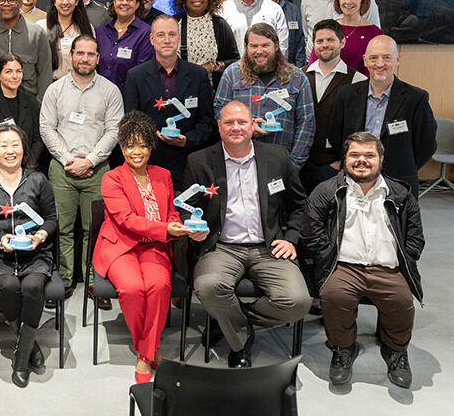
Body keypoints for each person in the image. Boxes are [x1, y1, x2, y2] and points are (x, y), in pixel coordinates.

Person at [185, 101, 311, 368]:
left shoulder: (278, 157)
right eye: (229, 122)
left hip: (269, 246)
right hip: (222, 246)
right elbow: (186, 205)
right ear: (219, 127)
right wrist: (191, 228)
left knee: (298, 302)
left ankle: (228, 320)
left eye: (242, 122)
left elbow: (300, 205)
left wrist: (291, 238)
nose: (236, 128)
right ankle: (240, 341)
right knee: (208, 287)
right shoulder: (199, 161)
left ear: (253, 125)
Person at [303, 131, 424, 388]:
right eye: (354, 155)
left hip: (388, 269)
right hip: (343, 267)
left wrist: (405, 262)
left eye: (369, 155)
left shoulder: (401, 193)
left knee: (402, 301)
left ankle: (396, 351)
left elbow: (416, 237)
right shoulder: (327, 191)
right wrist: (328, 258)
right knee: (335, 297)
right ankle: (343, 349)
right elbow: (311, 233)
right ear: (344, 159)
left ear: (381, 159)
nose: (362, 160)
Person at [93, 111, 195, 382]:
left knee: (159, 286)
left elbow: (171, 211)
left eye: (142, 145)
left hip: (155, 246)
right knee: (132, 288)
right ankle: (149, 350)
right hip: (121, 246)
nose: (135, 152)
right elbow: (126, 220)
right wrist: (165, 228)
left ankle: (144, 353)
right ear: (121, 147)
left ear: (151, 146)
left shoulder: (163, 175)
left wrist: (175, 224)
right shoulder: (111, 178)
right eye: (129, 146)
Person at [0, 124, 57, 387]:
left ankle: (20, 361)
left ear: (24, 149)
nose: (10, 151)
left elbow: (51, 220)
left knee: (31, 286)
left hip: (35, 252)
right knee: (7, 285)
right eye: (3, 145)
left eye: (15, 145)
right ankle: (30, 347)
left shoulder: (38, 180)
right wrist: (0, 239)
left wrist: (39, 236)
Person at [40, 34, 123, 301]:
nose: (85, 59)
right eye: (80, 53)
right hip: (61, 170)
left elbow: (114, 130)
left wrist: (91, 160)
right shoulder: (55, 89)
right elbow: (46, 128)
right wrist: (67, 160)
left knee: (96, 230)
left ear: (98, 58)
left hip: (98, 170)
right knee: (62, 228)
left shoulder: (110, 91)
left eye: (91, 54)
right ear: (71, 55)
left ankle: (93, 282)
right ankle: (63, 280)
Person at [328, 35, 437, 194]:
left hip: (399, 182)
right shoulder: (347, 95)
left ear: (397, 59)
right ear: (365, 61)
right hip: (354, 179)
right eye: (373, 58)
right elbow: (335, 135)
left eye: (386, 58)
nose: (379, 64)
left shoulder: (416, 98)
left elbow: (427, 144)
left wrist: (404, 166)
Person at [123, 15, 216, 190]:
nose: (167, 40)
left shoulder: (198, 75)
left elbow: (207, 122)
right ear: (151, 39)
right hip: (149, 162)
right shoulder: (135, 76)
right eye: (160, 35)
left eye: (172, 34)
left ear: (179, 39)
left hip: (188, 163)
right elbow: (131, 122)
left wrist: (187, 140)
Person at [214, 23, 315, 170]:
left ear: (276, 46)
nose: (259, 51)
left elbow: (307, 124)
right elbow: (219, 113)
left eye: (265, 45)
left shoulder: (297, 77)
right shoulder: (232, 74)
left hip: (281, 163)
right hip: (237, 163)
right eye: (254, 46)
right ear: (246, 47)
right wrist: (246, 127)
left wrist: (292, 166)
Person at [301, 19, 367, 193]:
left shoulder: (358, 80)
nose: (325, 45)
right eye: (320, 41)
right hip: (300, 163)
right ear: (313, 44)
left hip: (332, 165)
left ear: (342, 42)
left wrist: (342, 161)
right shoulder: (299, 76)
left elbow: (358, 128)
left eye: (330, 40)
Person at [170, 0, 240, 91]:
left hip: (211, 93)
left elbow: (235, 62)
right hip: (178, 91)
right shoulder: (174, 23)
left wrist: (213, 66)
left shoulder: (219, 24)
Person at [0, 53, 44, 164]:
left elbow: (38, 139)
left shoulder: (31, 102)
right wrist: (7, 165)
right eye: (8, 72)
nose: (15, 76)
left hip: (28, 167)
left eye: (18, 71)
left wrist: (28, 164)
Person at [314, 0, 384, 76]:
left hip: (361, 88)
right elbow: (314, 61)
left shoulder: (375, 33)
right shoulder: (327, 29)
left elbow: (378, 66)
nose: (348, 2)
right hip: (327, 85)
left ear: (363, 1)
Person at [95, 0, 154, 93]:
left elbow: (142, 71)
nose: (124, 3)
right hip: (99, 94)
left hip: (129, 94)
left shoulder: (145, 33)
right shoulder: (102, 30)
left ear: (137, 4)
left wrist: (115, 92)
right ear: (114, 2)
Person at [38, 0, 95, 81]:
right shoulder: (41, 27)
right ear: (54, 1)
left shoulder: (86, 28)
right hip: (50, 85)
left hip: (80, 85)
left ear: (77, 1)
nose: (65, 2)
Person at [261, 0, 307, 68]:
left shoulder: (292, 10)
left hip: (285, 71)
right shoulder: (252, 7)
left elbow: (299, 45)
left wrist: (298, 71)